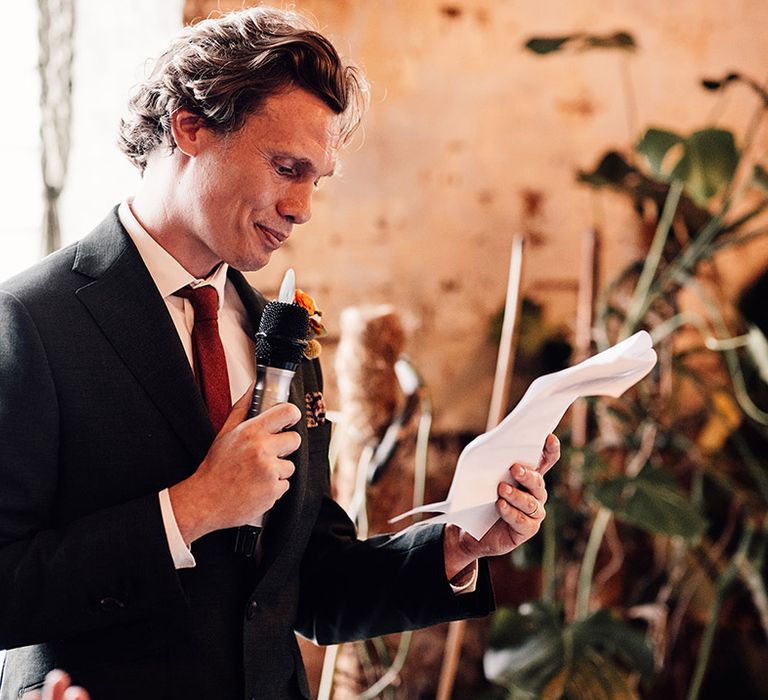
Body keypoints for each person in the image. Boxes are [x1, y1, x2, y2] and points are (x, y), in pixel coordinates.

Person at [0, 7, 558, 700]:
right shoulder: (28, 320)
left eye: (316, 179)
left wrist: (459, 546)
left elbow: (306, 586)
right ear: (189, 125)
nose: (302, 208)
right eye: (287, 167)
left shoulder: (282, 331)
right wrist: (191, 509)